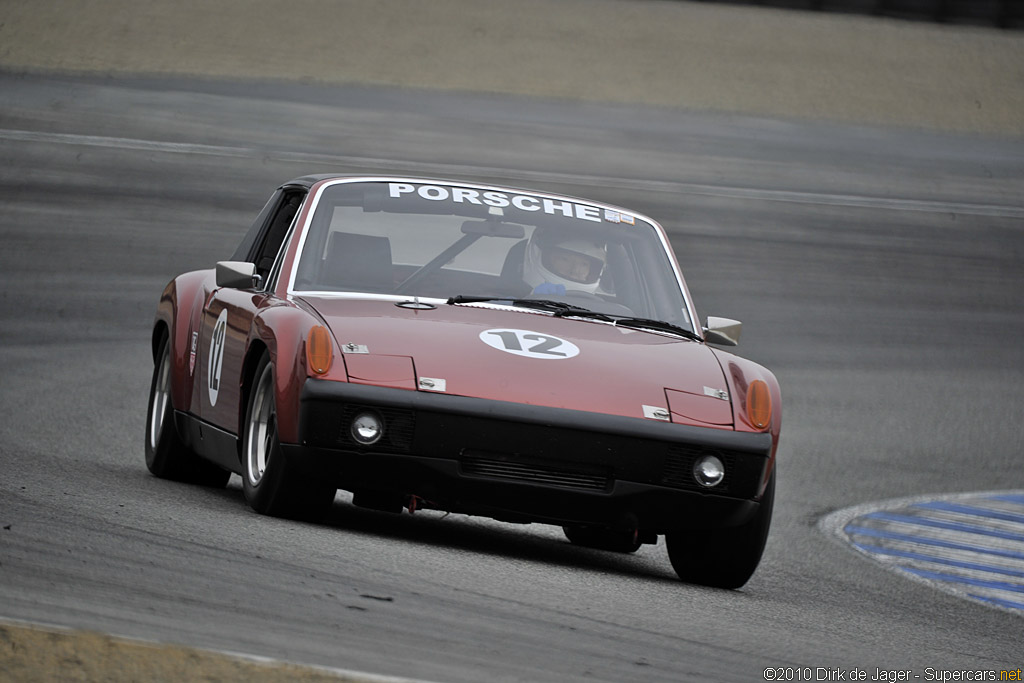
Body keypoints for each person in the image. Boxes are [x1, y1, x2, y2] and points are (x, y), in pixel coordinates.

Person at [522, 229, 607, 296]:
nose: (575, 270)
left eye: (584, 264)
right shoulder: (511, 308)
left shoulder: (599, 312)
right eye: (565, 259)